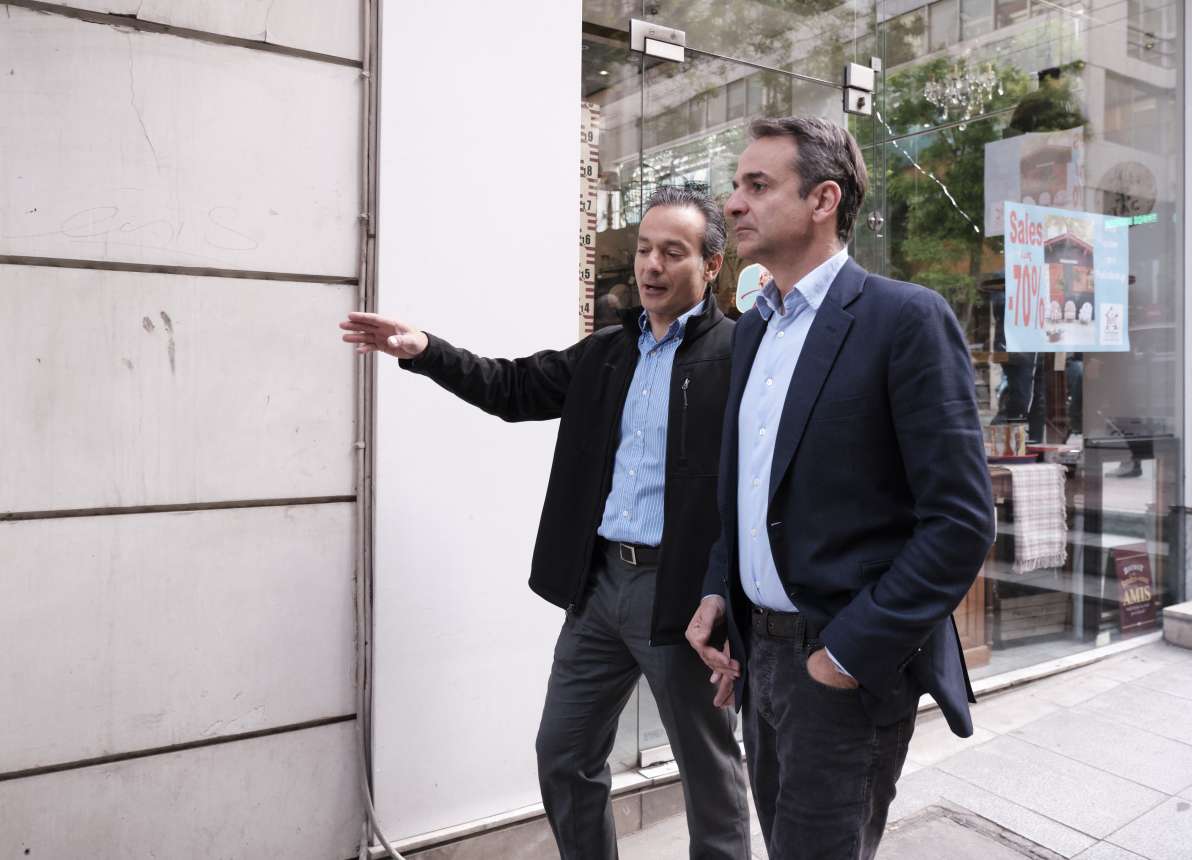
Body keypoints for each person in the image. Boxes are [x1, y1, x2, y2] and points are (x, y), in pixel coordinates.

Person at [340, 186, 750, 859]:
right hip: (599, 590)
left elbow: (754, 490)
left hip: (680, 596)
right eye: (644, 249)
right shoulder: (607, 353)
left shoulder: (738, 355)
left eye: (672, 252)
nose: (651, 265)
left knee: (709, 774)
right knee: (563, 754)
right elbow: (512, 387)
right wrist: (424, 349)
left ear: (710, 265)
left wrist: (727, 595)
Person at [685, 117, 995, 860]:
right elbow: (752, 492)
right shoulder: (754, 330)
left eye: (757, 185)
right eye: (736, 185)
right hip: (758, 661)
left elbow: (960, 523)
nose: (733, 203)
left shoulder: (904, 318)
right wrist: (720, 592)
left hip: (841, 669)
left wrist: (844, 659)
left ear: (823, 200)